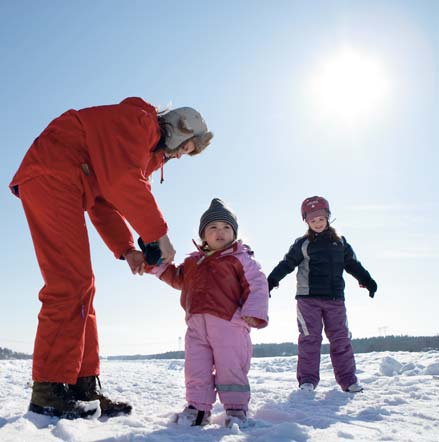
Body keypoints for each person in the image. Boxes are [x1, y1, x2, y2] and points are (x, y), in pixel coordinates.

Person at [9, 97, 213, 419]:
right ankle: (49, 389)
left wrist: (128, 249)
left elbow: (102, 203)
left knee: (83, 286)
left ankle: (81, 385)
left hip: (68, 182)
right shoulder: (139, 122)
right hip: (53, 173)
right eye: (186, 148)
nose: (179, 156)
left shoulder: (139, 151)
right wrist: (158, 233)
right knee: (69, 283)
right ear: (178, 130)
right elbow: (122, 183)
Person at [145, 198, 269, 427]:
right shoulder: (194, 262)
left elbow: (258, 284)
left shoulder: (240, 258)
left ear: (234, 233)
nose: (220, 232)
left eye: (226, 227)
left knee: (230, 368)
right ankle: (197, 408)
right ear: (203, 235)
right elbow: (177, 278)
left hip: (229, 324)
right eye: (213, 227)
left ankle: (235, 410)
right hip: (195, 325)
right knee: (196, 368)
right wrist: (154, 263)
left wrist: (254, 311)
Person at [267, 196, 377, 393]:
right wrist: (271, 281)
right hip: (308, 299)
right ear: (307, 222)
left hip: (335, 299)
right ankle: (307, 381)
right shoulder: (302, 244)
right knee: (310, 338)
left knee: (341, 338)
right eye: (312, 220)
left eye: (320, 219)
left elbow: (352, 264)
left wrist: (367, 280)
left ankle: (348, 380)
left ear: (327, 218)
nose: (317, 223)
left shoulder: (341, 243)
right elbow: (287, 264)